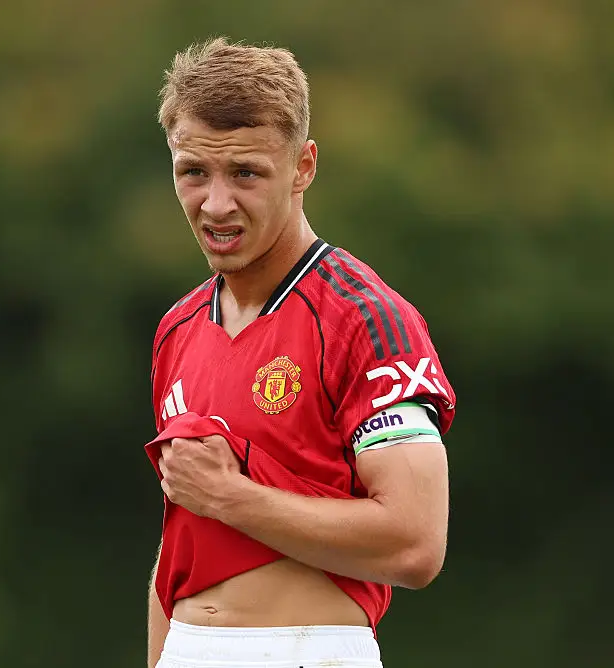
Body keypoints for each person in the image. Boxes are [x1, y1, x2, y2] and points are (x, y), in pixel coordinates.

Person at [147, 37, 457, 668]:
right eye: (193, 172)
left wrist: (232, 497)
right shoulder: (177, 330)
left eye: (246, 173)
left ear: (304, 166)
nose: (215, 204)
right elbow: (178, 542)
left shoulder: (365, 320)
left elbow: (415, 544)